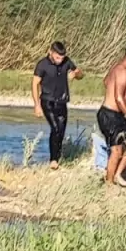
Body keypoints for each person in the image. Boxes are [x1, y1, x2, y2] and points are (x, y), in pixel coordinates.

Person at [97, 42, 126, 187]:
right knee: (116, 150)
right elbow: (118, 98)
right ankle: (109, 183)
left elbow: (106, 81)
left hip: (116, 115)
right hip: (109, 115)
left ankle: (117, 174)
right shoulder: (123, 71)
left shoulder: (116, 68)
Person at [31, 40, 83, 168]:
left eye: (62, 57)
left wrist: (76, 74)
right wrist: (37, 105)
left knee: (61, 130)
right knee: (55, 129)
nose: (60, 60)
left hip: (62, 101)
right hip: (47, 101)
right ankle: (53, 160)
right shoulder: (42, 65)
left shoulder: (67, 62)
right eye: (57, 57)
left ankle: (57, 158)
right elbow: (34, 84)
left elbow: (81, 74)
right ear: (51, 52)